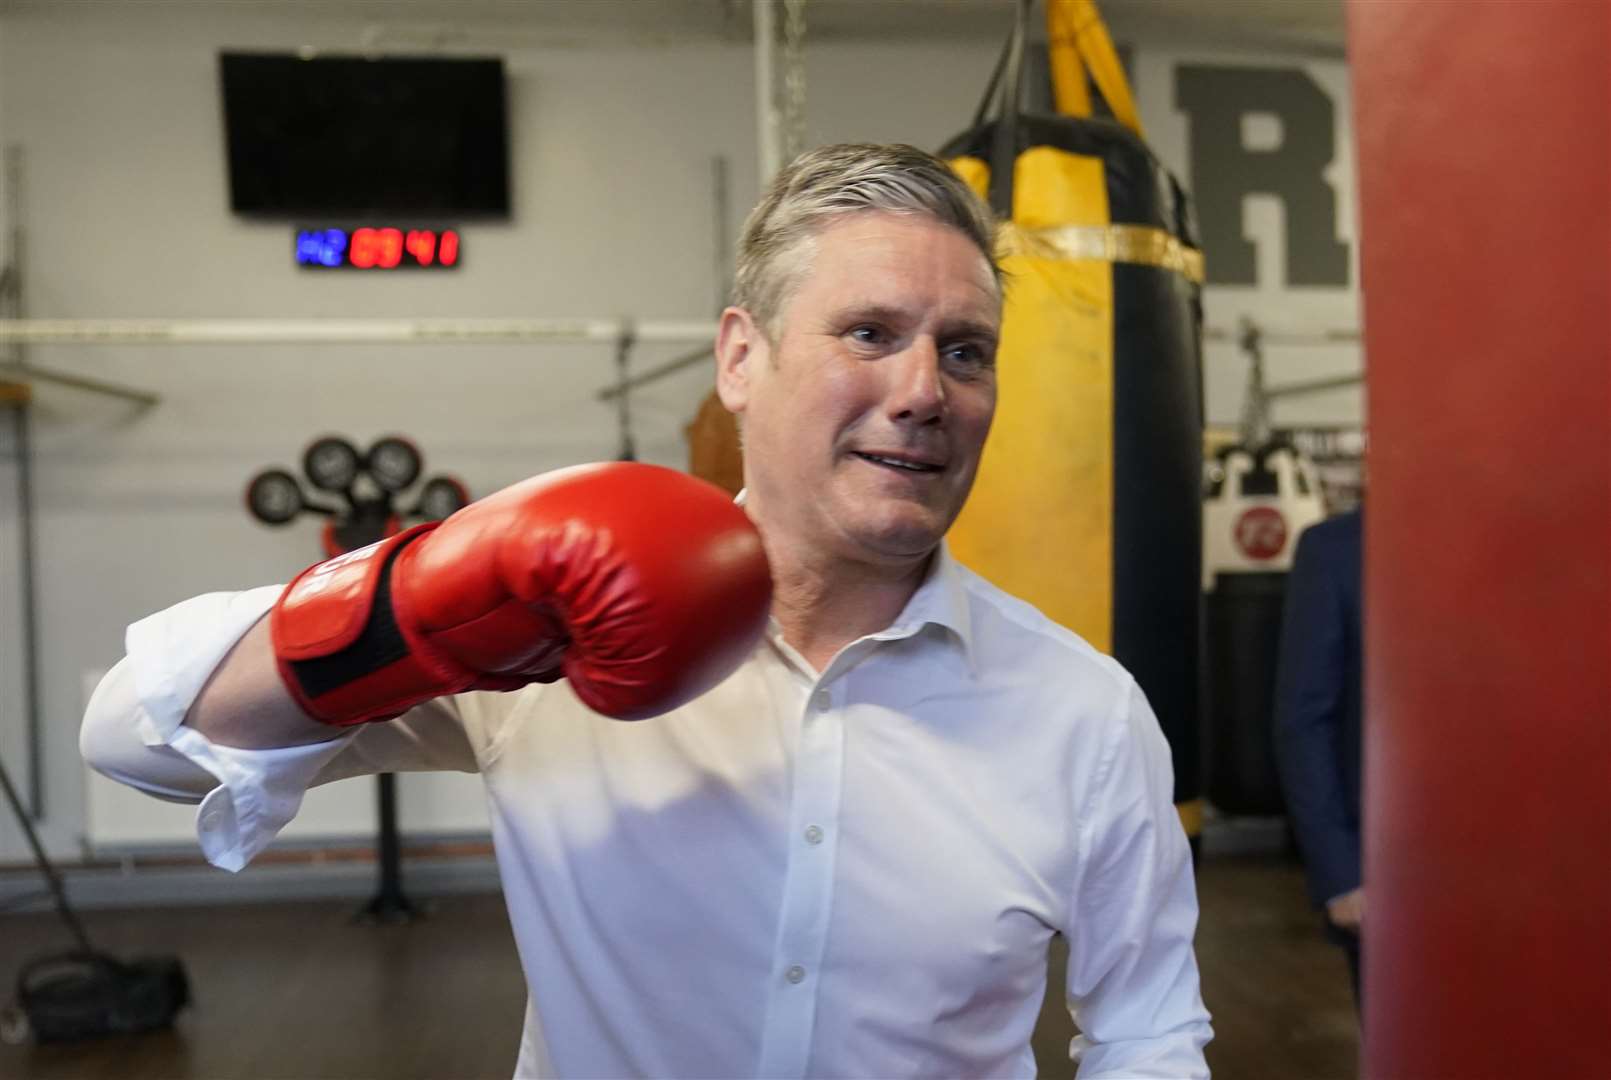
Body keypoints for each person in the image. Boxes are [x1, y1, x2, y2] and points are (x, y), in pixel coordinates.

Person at [81, 143, 1212, 1078]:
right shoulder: (548, 646)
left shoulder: (1082, 711)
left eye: (964, 351)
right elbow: (133, 735)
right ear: (739, 358)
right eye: (868, 333)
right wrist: (426, 595)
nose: (923, 392)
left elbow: (1148, 1031)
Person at [1273, 507, 1364, 1009]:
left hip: (1534, 881)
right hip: (1387, 882)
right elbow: (1303, 721)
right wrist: (1340, 873)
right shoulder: (1337, 551)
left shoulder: (1533, 539)